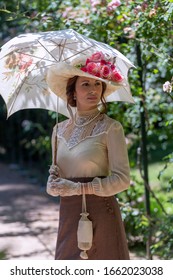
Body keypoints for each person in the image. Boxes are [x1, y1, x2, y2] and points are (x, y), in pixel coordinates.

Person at [46, 51, 133, 260]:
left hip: (101, 212)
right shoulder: (58, 130)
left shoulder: (111, 128)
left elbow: (123, 180)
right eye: (85, 84)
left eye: (97, 84)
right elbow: (57, 176)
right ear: (73, 91)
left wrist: (79, 188)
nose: (93, 90)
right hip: (68, 214)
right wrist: (52, 184)